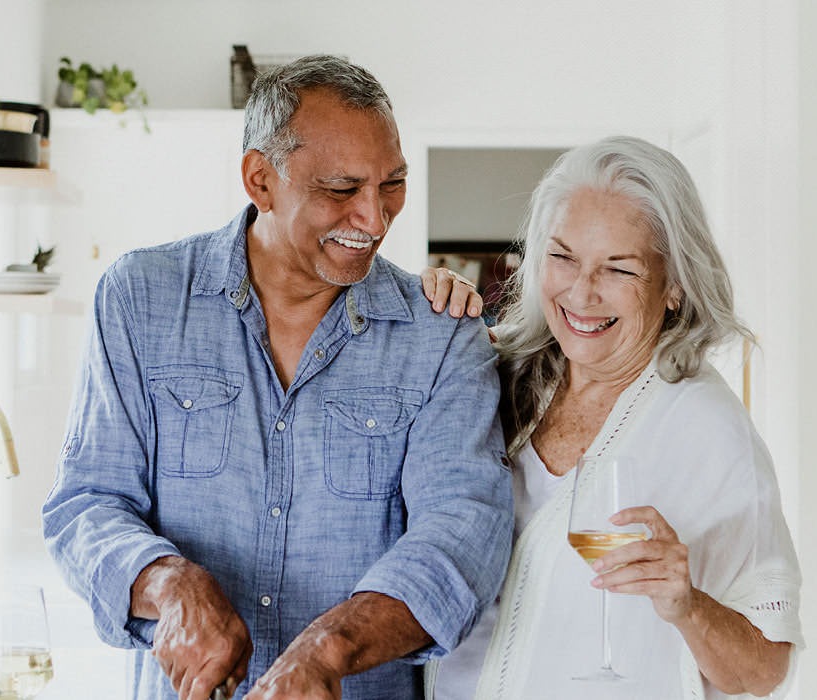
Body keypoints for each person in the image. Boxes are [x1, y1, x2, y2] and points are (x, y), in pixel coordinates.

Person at [42, 55, 513, 700]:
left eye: (392, 184)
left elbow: (462, 533)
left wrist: (329, 650)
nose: (375, 220)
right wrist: (169, 583)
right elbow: (87, 502)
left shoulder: (441, 335)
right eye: (342, 190)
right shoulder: (139, 299)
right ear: (260, 180)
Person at [420, 136, 802, 699]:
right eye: (563, 256)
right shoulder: (494, 376)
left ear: (673, 285)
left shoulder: (707, 430)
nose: (581, 292)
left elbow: (764, 669)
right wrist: (428, 310)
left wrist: (687, 604)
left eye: (618, 269)